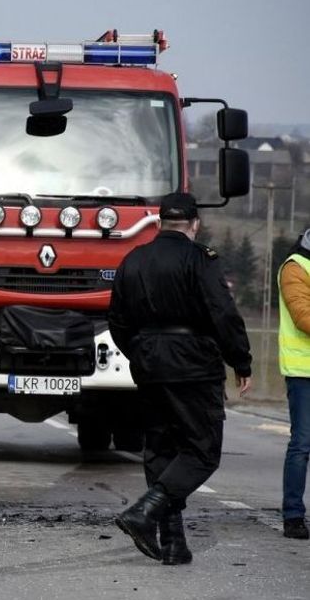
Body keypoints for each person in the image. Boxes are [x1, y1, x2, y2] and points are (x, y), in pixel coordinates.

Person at [107, 192, 253, 565]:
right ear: (194, 225)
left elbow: (117, 320)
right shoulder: (199, 260)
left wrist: (140, 352)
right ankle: (144, 512)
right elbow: (223, 313)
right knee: (202, 451)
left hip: (149, 363)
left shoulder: (133, 259)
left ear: (158, 224)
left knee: (161, 448)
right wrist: (241, 362)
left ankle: (173, 543)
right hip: (193, 365)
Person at [277, 229, 310, 540]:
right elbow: (303, 316)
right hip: (304, 371)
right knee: (302, 444)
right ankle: (293, 515)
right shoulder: (295, 267)